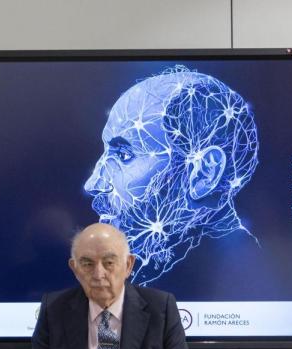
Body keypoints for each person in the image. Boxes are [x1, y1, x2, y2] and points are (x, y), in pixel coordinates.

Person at [84, 65, 259, 285]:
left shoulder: (248, 278)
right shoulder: (144, 274)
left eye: (124, 155)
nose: (92, 184)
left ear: (205, 172)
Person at [19, 223, 196, 349]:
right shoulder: (54, 309)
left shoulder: (161, 308)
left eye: (109, 263)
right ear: (74, 268)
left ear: (128, 265)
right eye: (87, 264)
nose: (98, 274)